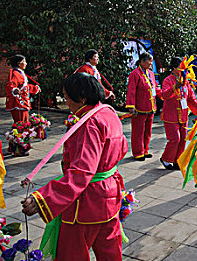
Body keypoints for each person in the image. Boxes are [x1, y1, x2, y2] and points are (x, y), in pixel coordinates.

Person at [22, 73, 128, 260]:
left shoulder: (90, 123)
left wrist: (43, 198)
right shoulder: (108, 113)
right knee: (110, 251)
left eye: (66, 96)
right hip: (110, 194)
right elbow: (123, 148)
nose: (66, 101)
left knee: (71, 253)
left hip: (86, 202)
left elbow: (82, 171)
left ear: (81, 98)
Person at [160, 57, 197, 169]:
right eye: (182, 67)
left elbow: (191, 98)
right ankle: (166, 158)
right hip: (171, 115)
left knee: (183, 139)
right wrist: (175, 87)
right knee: (175, 138)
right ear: (175, 68)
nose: (184, 70)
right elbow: (164, 95)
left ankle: (177, 160)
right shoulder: (168, 80)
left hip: (184, 114)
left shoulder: (185, 81)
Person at [126, 52, 160, 161]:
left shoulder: (151, 73)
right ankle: (138, 152)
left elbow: (155, 88)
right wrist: (131, 106)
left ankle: (145, 149)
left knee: (148, 131)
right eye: (148, 61)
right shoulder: (134, 74)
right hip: (139, 107)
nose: (150, 64)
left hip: (150, 106)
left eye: (151, 62)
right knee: (138, 131)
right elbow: (131, 91)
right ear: (141, 61)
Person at [5, 55, 40, 124]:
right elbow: (10, 85)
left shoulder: (20, 73)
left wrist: (35, 88)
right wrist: (14, 90)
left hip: (23, 102)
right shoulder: (15, 74)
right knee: (22, 124)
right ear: (19, 63)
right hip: (19, 103)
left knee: (23, 123)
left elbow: (25, 87)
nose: (26, 64)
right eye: (24, 61)